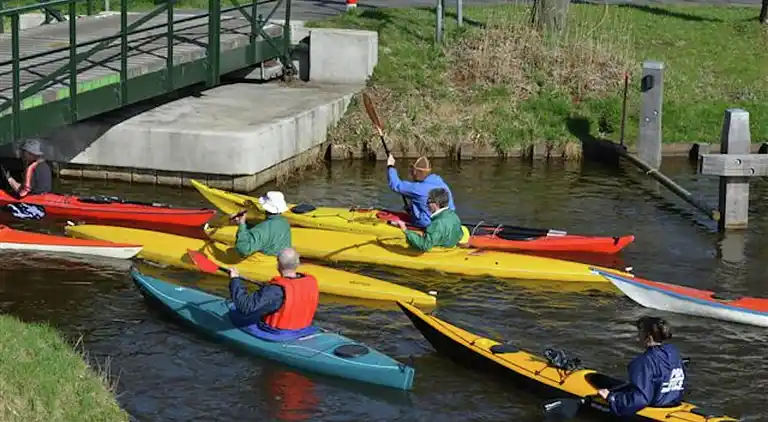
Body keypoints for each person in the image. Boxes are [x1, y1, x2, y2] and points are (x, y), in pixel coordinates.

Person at [597, 316, 686, 417]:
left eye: (640, 332)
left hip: (654, 410)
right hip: (671, 404)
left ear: (648, 336)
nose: (637, 336)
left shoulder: (642, 362)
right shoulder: (674, 353)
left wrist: (611, 397)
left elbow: (640, 400)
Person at [227, 248, 319, 340]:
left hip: (278, 334)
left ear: (278, 265)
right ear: (298, 264)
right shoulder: (311, 281)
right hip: (304, 329)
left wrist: (234, 280)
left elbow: (246, 306)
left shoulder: (275, 289)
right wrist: (267, 289)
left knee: (234, 313)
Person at [386, 154, 456, 229]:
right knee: (417, 201)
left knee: (416, 200)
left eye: (412, 170)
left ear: (415, 172)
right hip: (450, 220)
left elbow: (396, 185)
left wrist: (390, 166)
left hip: (430, 224)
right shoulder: (439, 180)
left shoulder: (416, 188)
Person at [393, 187, 467, 252]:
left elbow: (425, 246)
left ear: (436, 203)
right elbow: (460, 235)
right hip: (449, 250)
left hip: (436, 254)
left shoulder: (437, 223)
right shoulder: (454, 216)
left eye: (428, 202)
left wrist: (405, 230)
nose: (426, 205)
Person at [231, 191, 291, 257]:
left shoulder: (263, 228)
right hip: (282, 258)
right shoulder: (285, 222)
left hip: (266, 263)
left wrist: (241, 224)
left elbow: (243, 249)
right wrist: (245, 224)